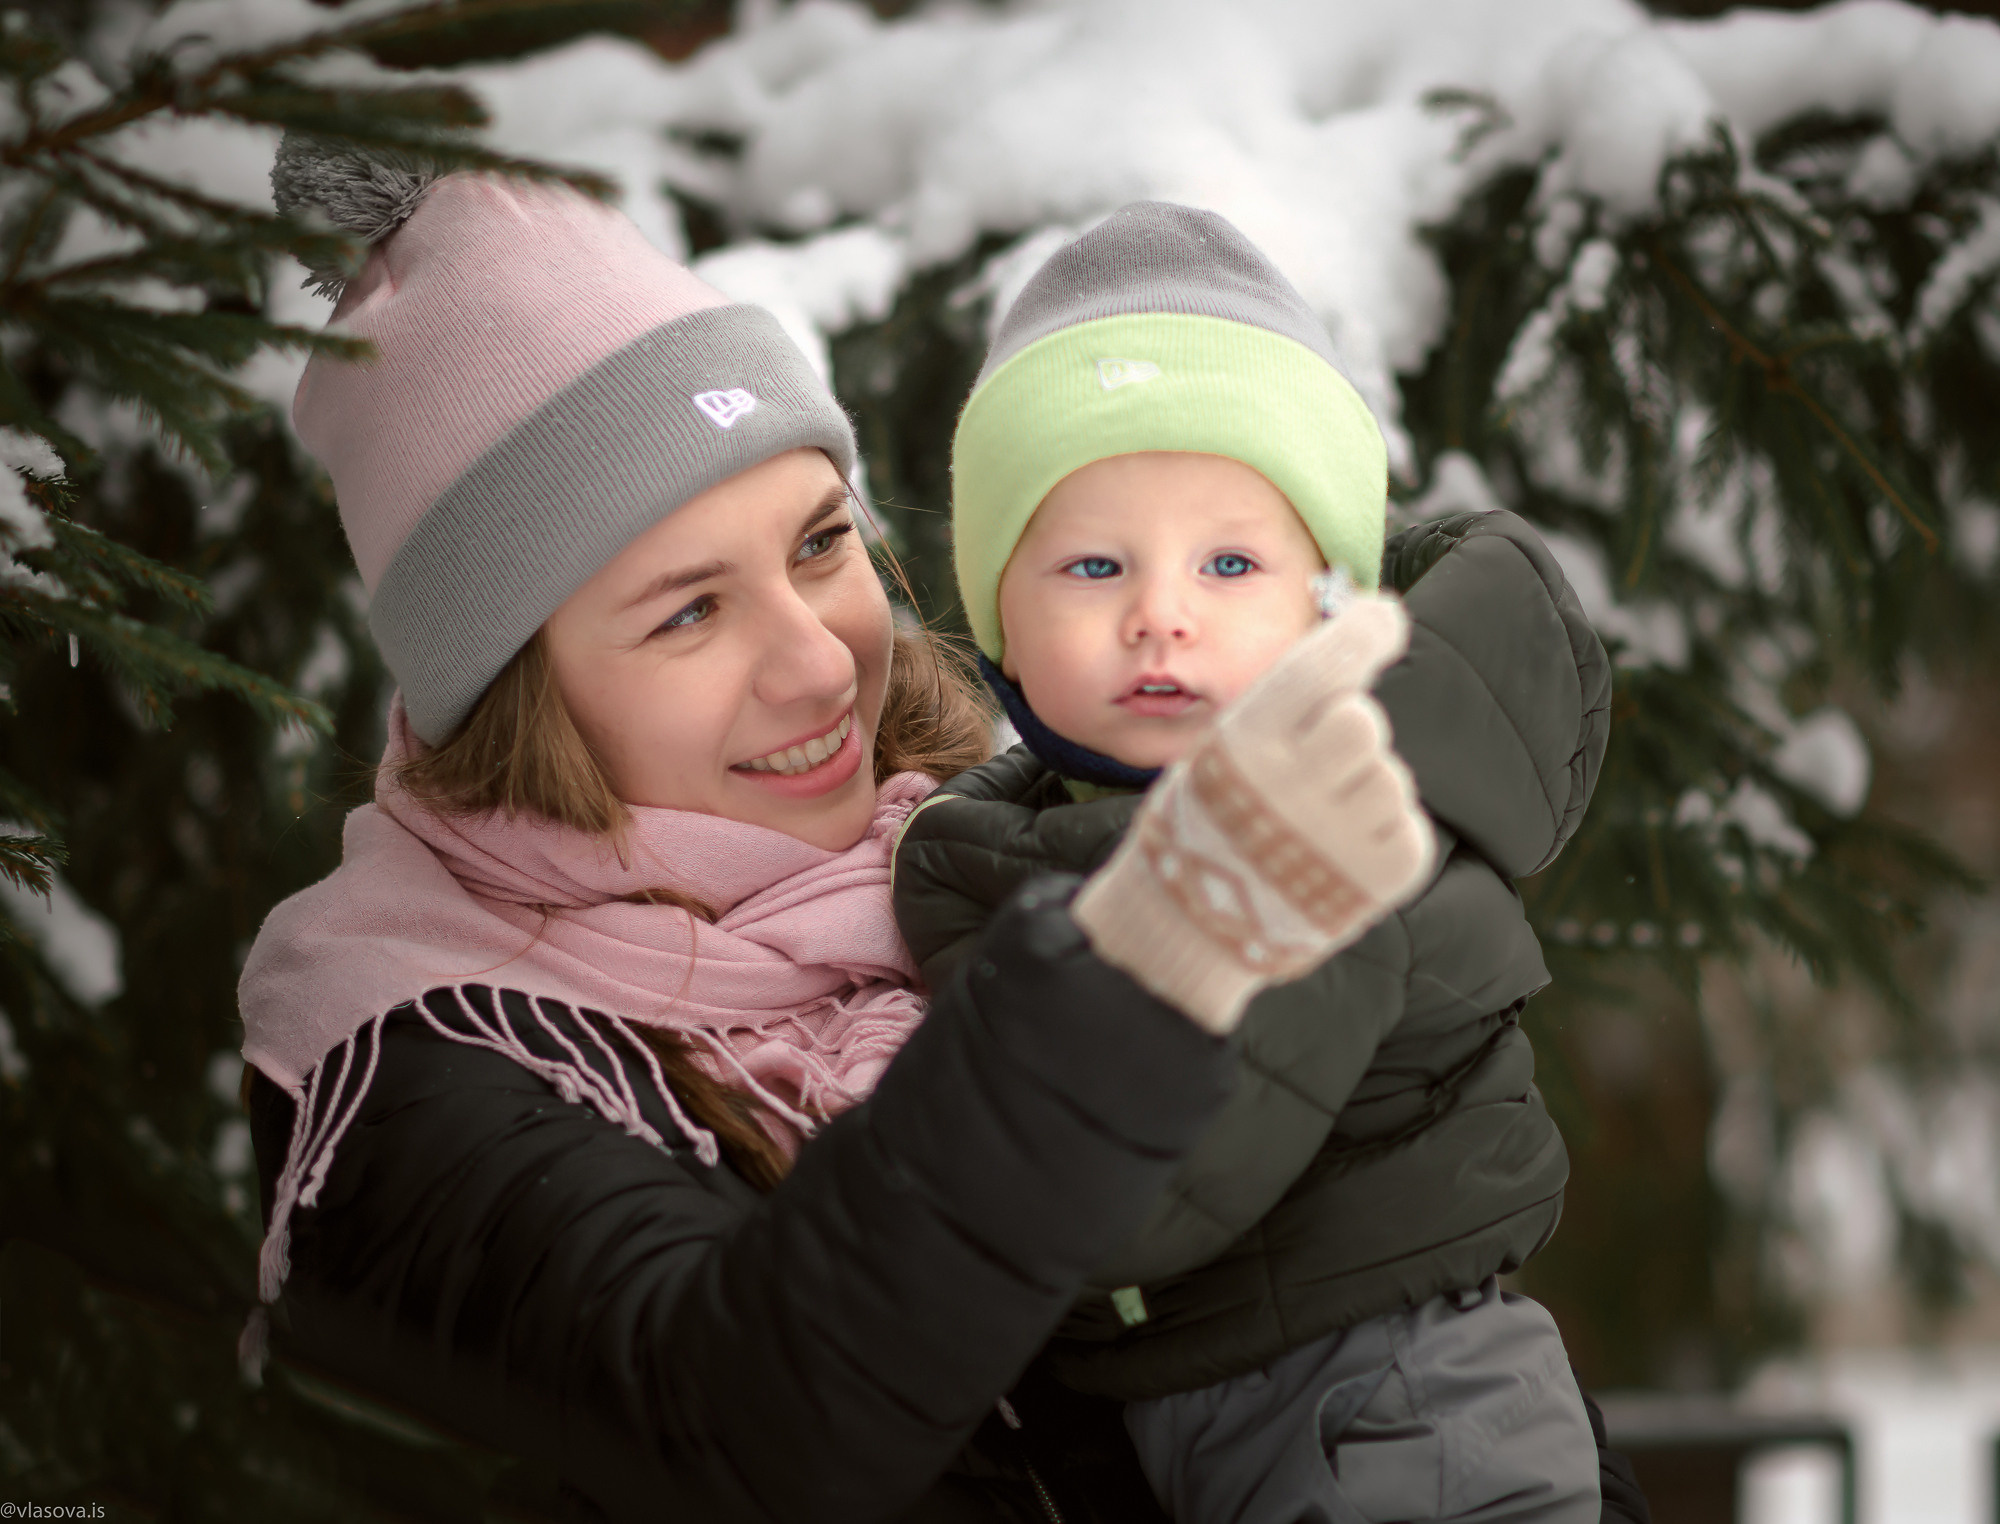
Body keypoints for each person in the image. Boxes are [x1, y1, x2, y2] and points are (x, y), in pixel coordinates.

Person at [238, 142, 1440, 1522]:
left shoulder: (994, 842)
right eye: (690, 610)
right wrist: (1127, 986)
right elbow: (738, 1419)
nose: (818, 663)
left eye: (818, 544)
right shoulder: (412, 1072)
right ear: (517, 691)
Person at [891, 203, 1627, 1523]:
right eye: (1093, 564)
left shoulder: (1351, 822)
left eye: (1229, 562)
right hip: (1212, 1414)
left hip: (1390, 1407)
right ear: (999, 621)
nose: (1159, 613)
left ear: (1326, 607)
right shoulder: (983, 851)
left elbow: (1133, 1206)